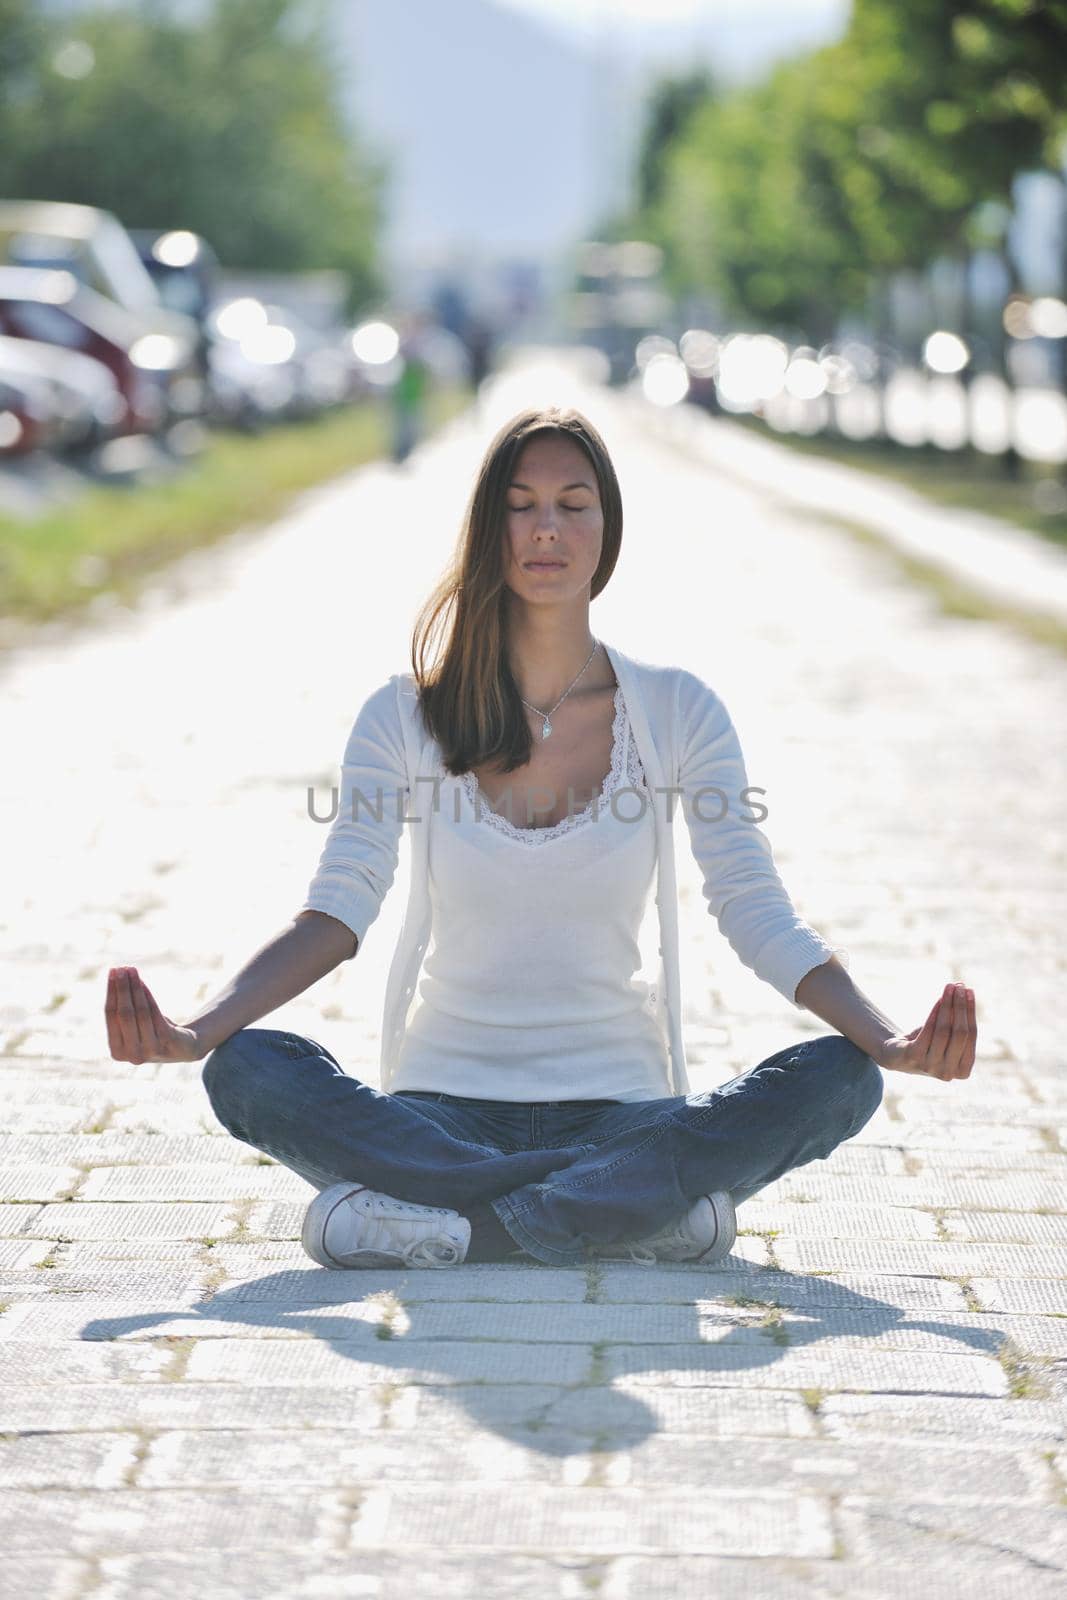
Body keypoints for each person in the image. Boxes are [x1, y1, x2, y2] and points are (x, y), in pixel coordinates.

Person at [105, 405, 978, 1272]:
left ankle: (461, 1220)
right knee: (247, 1067)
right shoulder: (404, 715)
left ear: (609, 527)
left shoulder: (677, 710)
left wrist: (886, 1039)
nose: (546, 529)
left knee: (841, 1077)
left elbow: (754, 911)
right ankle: (621, 1211)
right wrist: (197, 1030)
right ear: (490, 529)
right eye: (521, 505)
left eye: (574, 503)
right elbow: (336, 913)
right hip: (439, 1111)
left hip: (628, 1111)